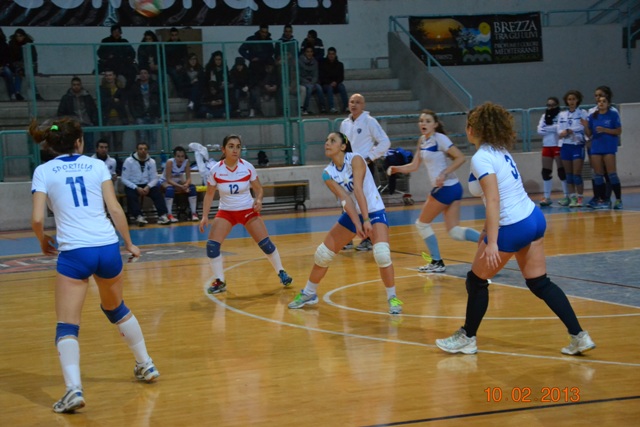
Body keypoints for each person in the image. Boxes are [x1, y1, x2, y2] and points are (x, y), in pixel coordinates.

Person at [435, 102, 595, 356]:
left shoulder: (482, 158)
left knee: (476, 281)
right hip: (533, 218)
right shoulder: (499, 151)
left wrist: (493, 242)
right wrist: (486, 231)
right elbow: (499, 195)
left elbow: (494, 199)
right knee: (539, 282)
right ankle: (579, 335)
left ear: (473, 129)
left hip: (513, 225)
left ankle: (467, 337)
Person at [29, 117, 159, 414]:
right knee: (116, 308)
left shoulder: (43, 171)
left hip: (76, 252)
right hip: (107, 247)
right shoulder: (97, 165)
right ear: (79, 142)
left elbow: (36, 219)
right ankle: (146, 364)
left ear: (51, 145)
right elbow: (114, 208)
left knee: (67, 324)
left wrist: (42, 240)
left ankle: (73, 389)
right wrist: (129, 243)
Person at [288, 132, 403, 314]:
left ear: (343, 146)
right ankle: (309, 293)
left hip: (373, 209)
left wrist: (366, 220)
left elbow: (358, 190)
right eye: (326, 140)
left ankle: (392, 298)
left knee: (382, 254)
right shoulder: (327, 173)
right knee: (323, 254)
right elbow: (345, 199)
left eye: (332, 140)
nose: (327, 143)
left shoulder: (355, 159)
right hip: (353, 213)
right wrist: (357, 224)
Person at [194, 137, 293, 294]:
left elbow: (259, 189)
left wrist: (258, 200)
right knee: (212, 246)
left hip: (247, 211)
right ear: (223, 149)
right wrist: (204, 216)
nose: (235, 150)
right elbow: (209, 194)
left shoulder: (247, 167)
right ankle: (220, 281)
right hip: (226, 212)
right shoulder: (215, 170)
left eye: (238, 146)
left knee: (266, 244)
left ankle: (281, 272)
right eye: (231, 146)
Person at [388, 110, 480, 272]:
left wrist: (444, 173)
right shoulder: (422, 141)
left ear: (435, 124)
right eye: (421, 121)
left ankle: (437, 262)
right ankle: (489, 241)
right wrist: (397, 168)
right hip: (452, 188)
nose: (423, 123)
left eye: (428, 121)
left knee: (422, 224)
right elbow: (414, 166)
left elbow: (460, 157)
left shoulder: (440, 139)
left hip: (446, 188)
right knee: (454, 231)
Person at [340, 93, 390, 251]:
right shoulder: (344, 124)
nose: (354, 104)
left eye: (358, 102)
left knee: (366, 202)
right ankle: (347, 237)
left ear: (363, 105)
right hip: (347, 169)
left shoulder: (369, 121)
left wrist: (370, 157)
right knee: (347, 201)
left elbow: (385, 142)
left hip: (364, 167)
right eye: (351, 102)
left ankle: (368, 238)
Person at [581, 95, 623, 209]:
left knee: (612, 174)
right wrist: (585, 126)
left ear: (608, 103)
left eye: (604, 101)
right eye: (599, 101)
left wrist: (605, 130)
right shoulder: (593, 116)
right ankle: (601, 199)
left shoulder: (613, 114)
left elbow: (618, 131)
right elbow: (589, 134)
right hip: (596, 147)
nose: (601, 103)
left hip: (608, 147)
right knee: (598, 175)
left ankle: (618, 199)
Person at [120, 142, 171, 226]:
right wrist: (136, 187)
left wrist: (148, 186)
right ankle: (138, 217)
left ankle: (162, 215)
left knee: (157, 193)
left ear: (147, 151)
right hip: (133, 185)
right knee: (131, 196)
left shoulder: (152, 162)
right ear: (136, 150)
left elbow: (155, 178)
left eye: (145, 149)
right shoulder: (128, 161)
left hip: (147, 185)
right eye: (140, 149)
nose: (143, 151)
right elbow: (124, 179)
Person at [556, 90, 588, 208]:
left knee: (576, 174)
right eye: (569, 99)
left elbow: (582, 127)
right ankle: (572, 197)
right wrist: (563, 132)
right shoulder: (562, 114)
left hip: (577, 145)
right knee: (568, 175)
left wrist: (570, 130)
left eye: (573, 99)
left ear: (577, 100)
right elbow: (559, 129)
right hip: (565, 145)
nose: (571, 102)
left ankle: (580, 197)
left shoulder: (582, 113)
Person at [536, 96, 569, 206]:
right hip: (547, 145)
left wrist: (548, 128)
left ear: (557, 105)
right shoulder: (544, 116)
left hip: (557, 145)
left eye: (552, 105)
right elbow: (539, 130)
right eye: (548, 105)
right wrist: (553, 128)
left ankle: (567, 196)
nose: (550, 107)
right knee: (546, 172)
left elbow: (559, 129)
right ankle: (547, 197)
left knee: (561, 171)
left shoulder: (561, 115)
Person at [160, 145, 199, 222]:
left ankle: (193, 213)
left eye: (182, 156)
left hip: (178, 182)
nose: (180, 159)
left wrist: (186, 185)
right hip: (165, 181)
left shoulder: (186, 162)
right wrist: (181, 186)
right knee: (170, 189)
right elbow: (168, 179)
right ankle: (169, 214)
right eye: (178, 156)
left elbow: (188, 178)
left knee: (192, 188)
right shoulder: (170, 162)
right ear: (174, 157)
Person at [57, 76, 99, 147]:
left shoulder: (87, 97)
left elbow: (93, 110)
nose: (76, 86)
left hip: (87, 124)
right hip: (74, 126)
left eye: (78, 85)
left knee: (90, 146)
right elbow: (61, 113)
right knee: (76, 146)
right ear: (71, 86)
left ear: (81, 85)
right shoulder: (66, 98)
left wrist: (93, 121)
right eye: (74, 85)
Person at [129, 67, 161, 148]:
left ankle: (152, 156)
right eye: (141, 73)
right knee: (142, 139)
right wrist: (135, 115)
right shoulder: (135, 86)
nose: (143, 75)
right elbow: (131, 102)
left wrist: (159, 113)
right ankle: (142, 156)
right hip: (140, 115)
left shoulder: (155, 85)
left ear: (149, 75)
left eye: (145, 73)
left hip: (153, 114)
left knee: (153, 139)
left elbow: (161, 99)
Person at [97, 24, 137, 89]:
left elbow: (132, 53)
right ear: (111, 33)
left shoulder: (124, 42)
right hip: (110, 65)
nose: (117, 34)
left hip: (123, 65)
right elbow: (100, 53)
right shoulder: (106, 41)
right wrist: (108, 56)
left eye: (118, 32)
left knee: (132, 72)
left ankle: (127, 90)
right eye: (115, 32)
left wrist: (128, 58)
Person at [8, 28, 43, 100]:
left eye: (20, 36)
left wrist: (30, 65)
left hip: (28, 64)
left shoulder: (29, 44)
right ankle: (17, 93)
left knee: (29, 75)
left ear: (24, 36)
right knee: (18, 74)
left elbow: (33, 57)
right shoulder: (12, 44)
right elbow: (11, 58)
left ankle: (36, 93)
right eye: (17, 36)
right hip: (17, 65)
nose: (18, 38)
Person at [99, 69, 128, 153]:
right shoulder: (101, 89)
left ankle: (118, 159)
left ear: (114, 76)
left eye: (110, 75)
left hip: (118, 117)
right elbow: (102, 102)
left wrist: (110, 101)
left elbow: (122, 103)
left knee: (118, 141)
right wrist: (113, 100)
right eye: (106, 75)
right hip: (106, 118)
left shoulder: (120, 89)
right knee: (106, 141)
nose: (108, 77)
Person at [319, 47, 349, 114]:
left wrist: (336, 82)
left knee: (342, 87)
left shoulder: (340, 65)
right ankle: (331, 108)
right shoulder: (323, 64)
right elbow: (322, 77)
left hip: (336, 83)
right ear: (327, 55)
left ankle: (346, 107)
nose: (331, 56)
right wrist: (330, 83)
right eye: (329, 54)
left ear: (335, 55)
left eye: (333, 54)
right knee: (329, 88)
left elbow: (341, 77)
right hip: (326, 84)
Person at [299, 46, 326, 115]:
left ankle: (323, 107)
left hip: (312, 82)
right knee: (309, 88)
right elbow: (299, 75)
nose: (309, 53)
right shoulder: (299, 61)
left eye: (311, 52)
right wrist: (307, 82)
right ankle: (305, 108)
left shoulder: (315, 62)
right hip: (303, 81)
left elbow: (315, 75)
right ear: (305, 53)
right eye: (308, 52)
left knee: (319, 88)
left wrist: (312, 82)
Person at [164, 27, 189, 97]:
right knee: (175, 73)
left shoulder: (182, 45)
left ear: (178, 35)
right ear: (170, 36)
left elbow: (185, 56)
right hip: (169, 66)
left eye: (176, 35)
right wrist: (175, 66)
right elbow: (165, 59)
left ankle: (187, 92)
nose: (174, 37)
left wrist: (181, 65)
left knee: (185, 74)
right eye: (172, 35)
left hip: (180, 65)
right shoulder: (166, 45)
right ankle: (180, 92)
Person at [0, 28, 20, 101]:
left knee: (9, 74)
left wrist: (2, 66)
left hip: (3, 66)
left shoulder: (4, 45)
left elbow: (7, 57)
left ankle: (12, 94)